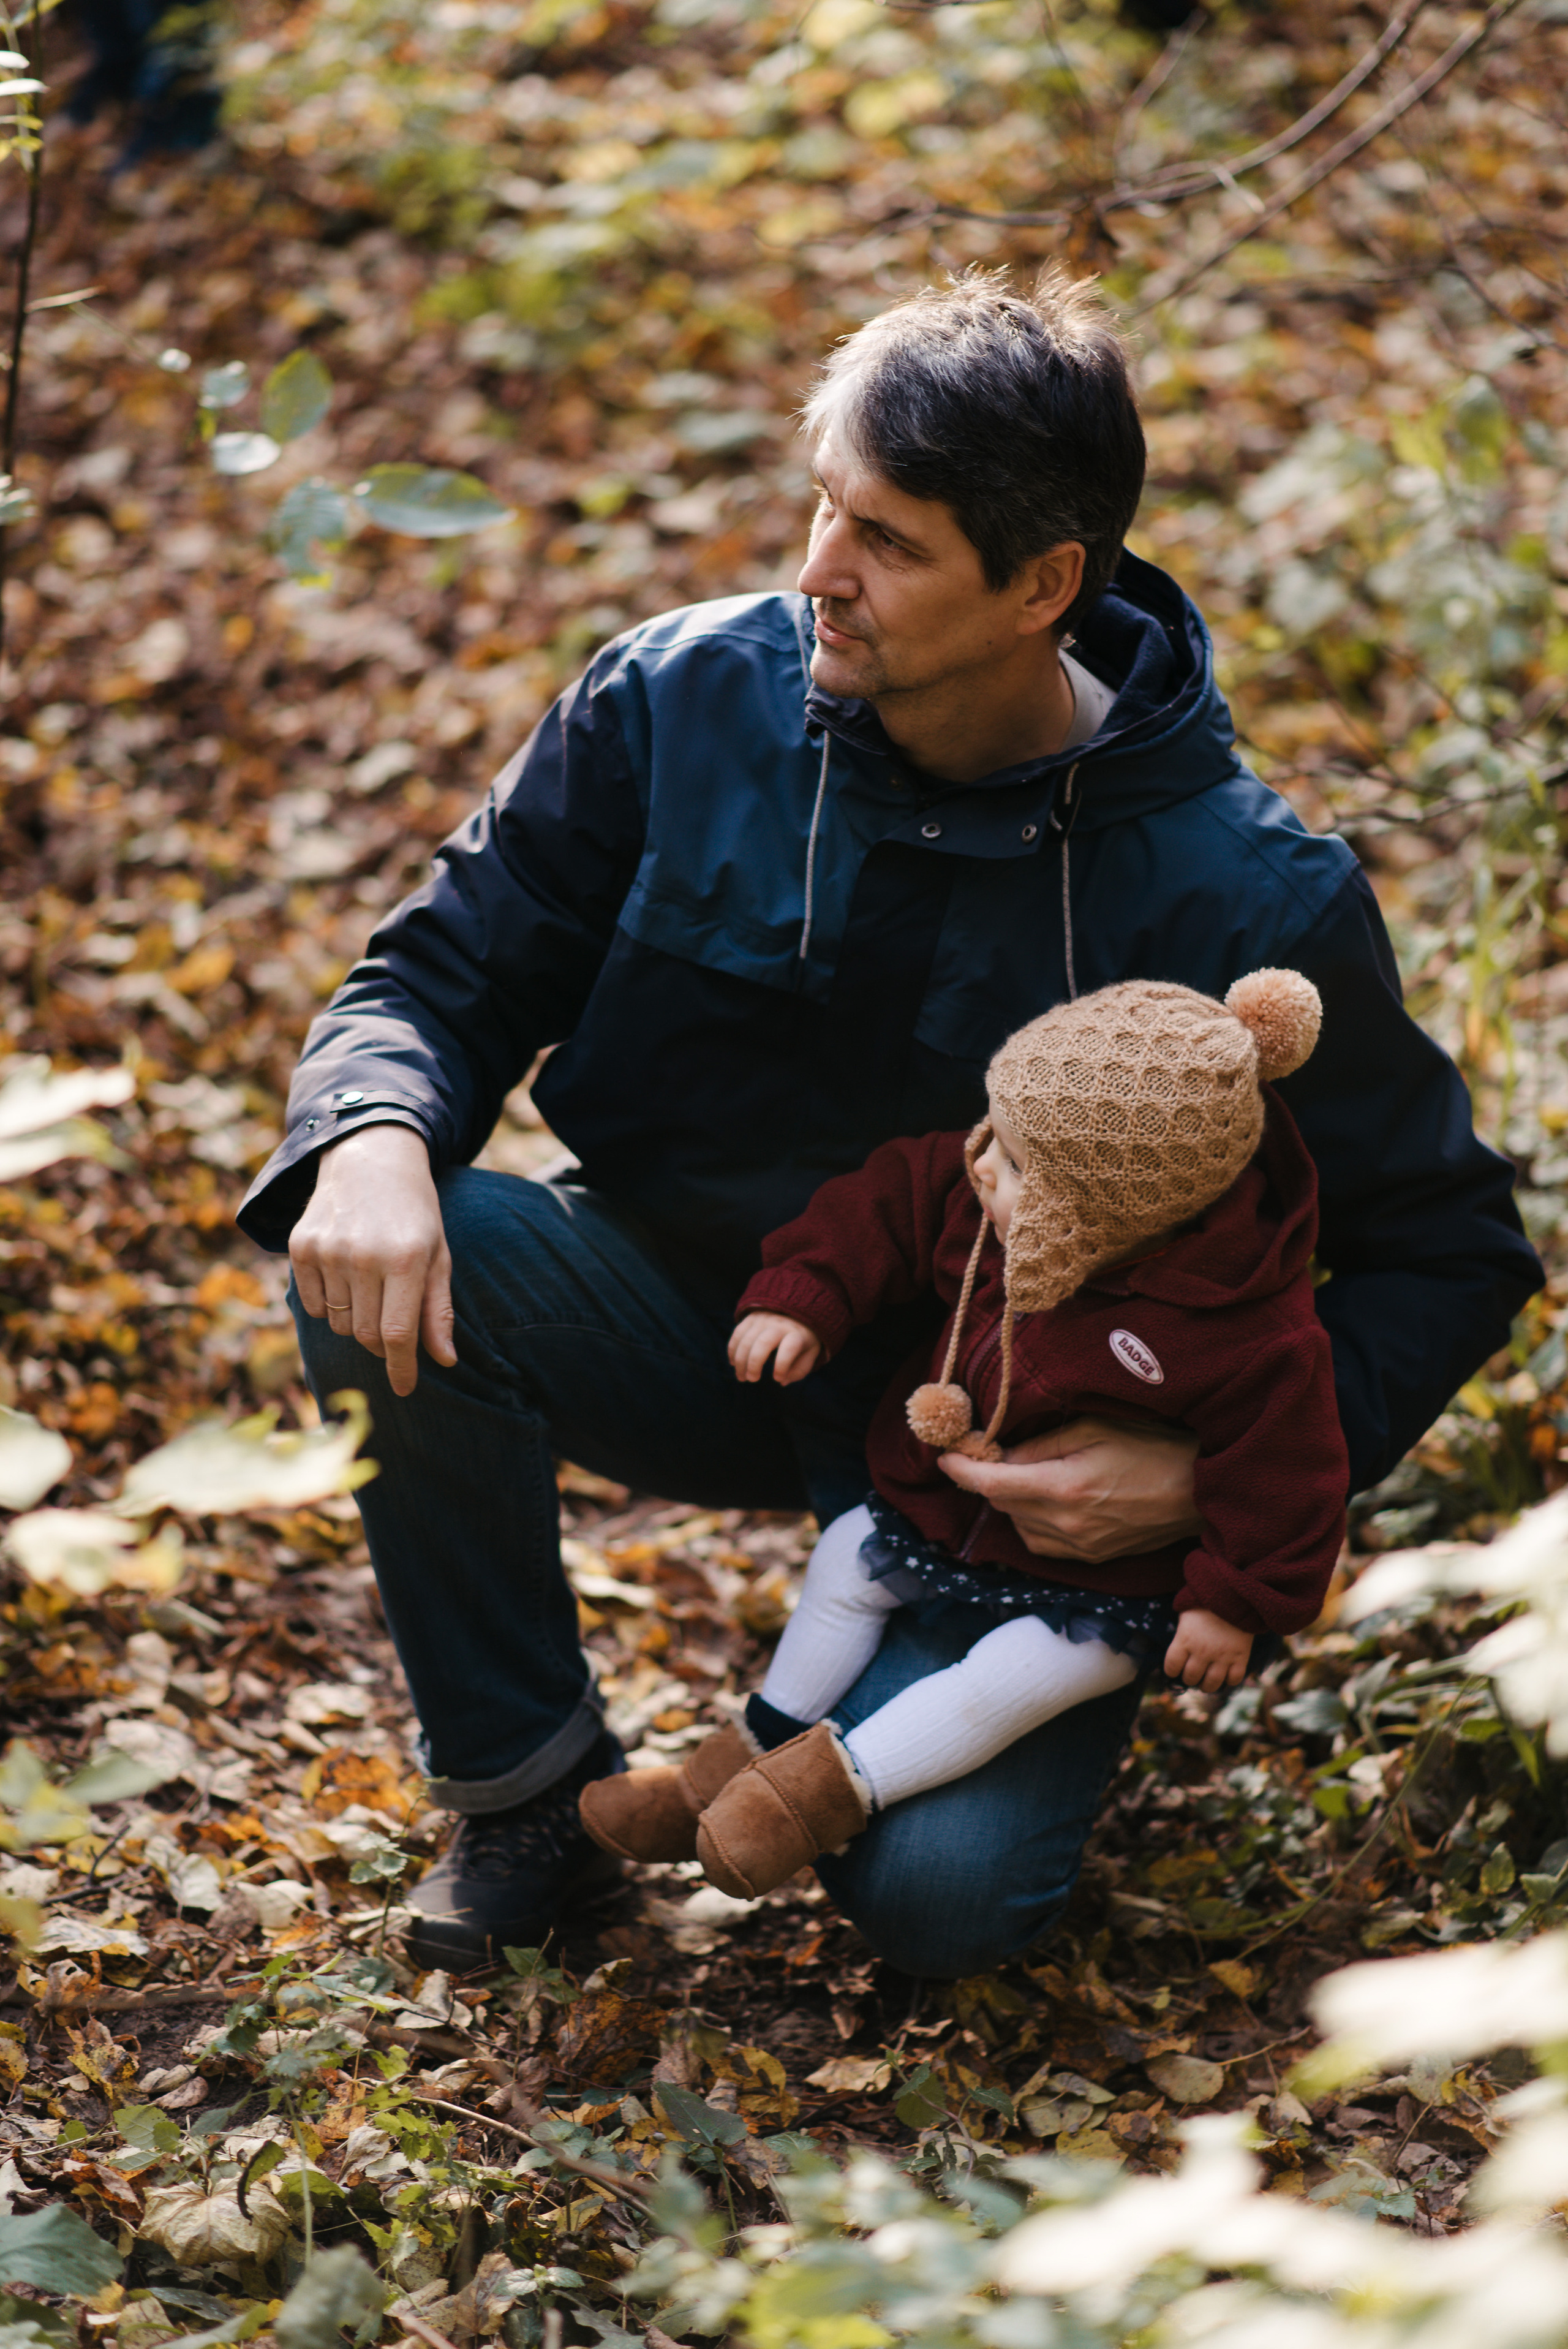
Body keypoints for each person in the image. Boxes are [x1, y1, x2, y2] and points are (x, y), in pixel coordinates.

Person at [239, 267, 1540, 1978]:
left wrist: (1202, 1470)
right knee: (400, 1250)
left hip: (1013, 1472)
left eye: (890, 541)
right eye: (823, 504)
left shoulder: (1243, 891)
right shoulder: (679, 701)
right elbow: (437, 973)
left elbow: (1445, 1248)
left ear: (1044, 586)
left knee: (939, 1909)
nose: (815, 572)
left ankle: (919, 1733)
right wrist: (378, 1134)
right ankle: (536, 1799)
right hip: (710, 1326)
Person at [576, 968, 1348, 1898]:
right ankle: (733, 1762)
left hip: (1098, 1586)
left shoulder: (1249, 1334)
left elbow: (1290, 1470)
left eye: (1017, 1165)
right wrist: (807, 1296)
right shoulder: (980, 1183)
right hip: (947, 1508)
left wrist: (1232, 1598)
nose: (982, 1161)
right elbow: (882, 1206)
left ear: (1099, 1218)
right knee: (845, 1558)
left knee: (1013, 1678)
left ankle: (818, 1796)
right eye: (995, 1130)